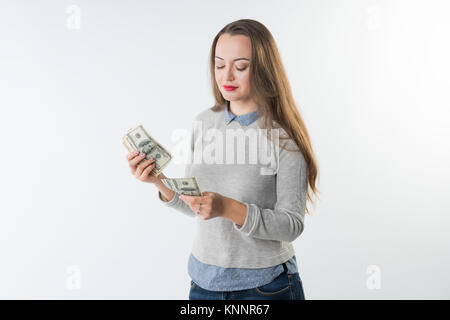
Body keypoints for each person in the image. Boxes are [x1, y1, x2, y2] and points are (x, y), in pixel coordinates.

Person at [126, 19, 319, 300]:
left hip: (266, 286)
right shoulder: (204, 122)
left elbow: (291, 225)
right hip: (203, 283)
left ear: (263, 70)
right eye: (219, 65)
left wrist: (229, 208)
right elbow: (195, 204)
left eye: (240, 67)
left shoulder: (283, 137)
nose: (227, 76)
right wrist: (158, 180)